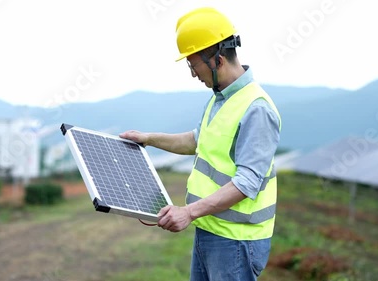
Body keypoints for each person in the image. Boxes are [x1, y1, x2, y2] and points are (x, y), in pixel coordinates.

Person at [119, 7, 281, 281]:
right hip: (211, 230)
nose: (194, 74)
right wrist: (148, 138)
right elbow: (196, 140)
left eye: (194, 65)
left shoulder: (257, 108)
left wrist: (188, 212)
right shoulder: (221, 98)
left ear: (216, 58)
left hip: (236, 241)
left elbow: (247, 183)